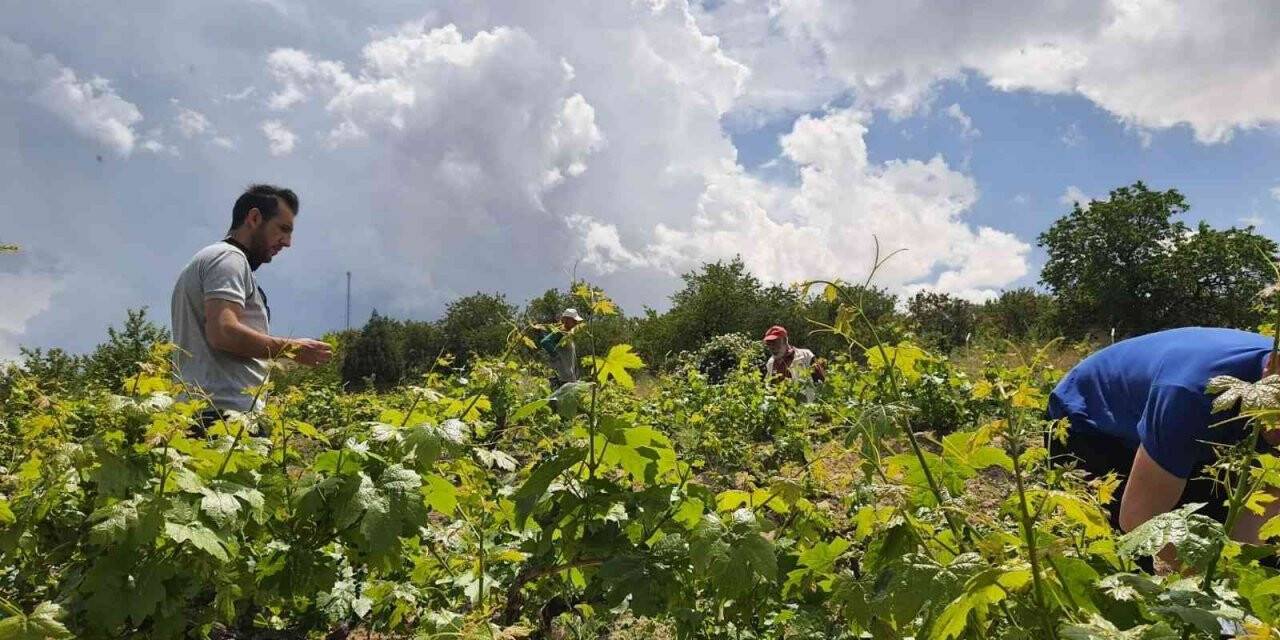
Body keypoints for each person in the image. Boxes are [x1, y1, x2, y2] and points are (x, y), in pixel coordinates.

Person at [1048, 326, 1280, 555]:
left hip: (1174, 426)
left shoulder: (1267, 396)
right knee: (1129, 552)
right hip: (1089, 421)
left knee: (1224, 540)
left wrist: (1241, 565)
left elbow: (1257, 518)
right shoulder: (1192, 397)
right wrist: (1197, 576)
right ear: (1270, 369)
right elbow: (1138, 519)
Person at [171, 184, 332, 430]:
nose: (287, 242)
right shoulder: (229, 259)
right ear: (254, 218)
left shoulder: (212, 260)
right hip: (224, 416)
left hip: (202, 413)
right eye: (283, 229)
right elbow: (223, 332)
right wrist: (292, 349)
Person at [763, 325, 825, 399]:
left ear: (785, 340)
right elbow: (770, 388)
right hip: (782, 405)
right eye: (768, 344)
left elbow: (821, 383)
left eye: (775, 342)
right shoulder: (770, 363)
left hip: (806, 405)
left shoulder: (806, 356)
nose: (772, 347)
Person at [539, 308, 582, 389]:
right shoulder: (560, 331)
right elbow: (545, 342)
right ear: (567, 320)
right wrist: (557, 357)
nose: (576, 323)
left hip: (568, 376)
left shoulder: (568, 333)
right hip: (561, 377)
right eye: (574, 320)